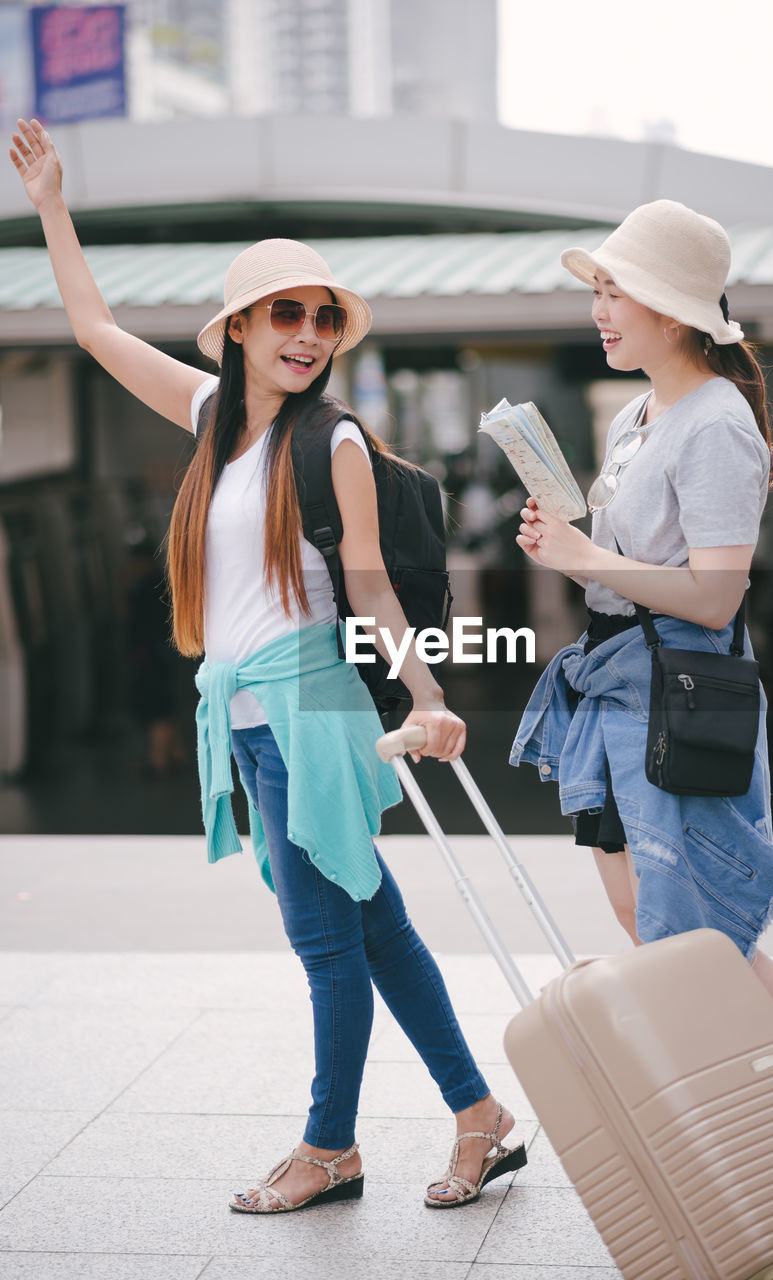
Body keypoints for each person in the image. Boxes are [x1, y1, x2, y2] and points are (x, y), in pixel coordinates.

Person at [10, 117, 526, 1212]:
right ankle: (479, 1112)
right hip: (247, 718)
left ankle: (329, 1146)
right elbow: (95, 329)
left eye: (321, 317)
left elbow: (374, 585)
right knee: (373, 922)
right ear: (237, 327)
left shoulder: (328, 440)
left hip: (313, 713)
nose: (306, 333)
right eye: (285, 313)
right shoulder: (211, 424)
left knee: (325, 939)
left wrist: (429, 697)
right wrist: (54, 202)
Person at [511, 199, 773, 1116]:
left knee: (698, 939)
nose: (600, 308)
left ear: (672, 307)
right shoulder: (637, 416)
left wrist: (589, 558)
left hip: (677, 689)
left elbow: (715, 594)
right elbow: (632, 564)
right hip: (619, 684)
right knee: (647, 925)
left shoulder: (715, 426)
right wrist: (570, 544)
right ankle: (769, 1114)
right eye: (600, 289)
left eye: (617, 290)